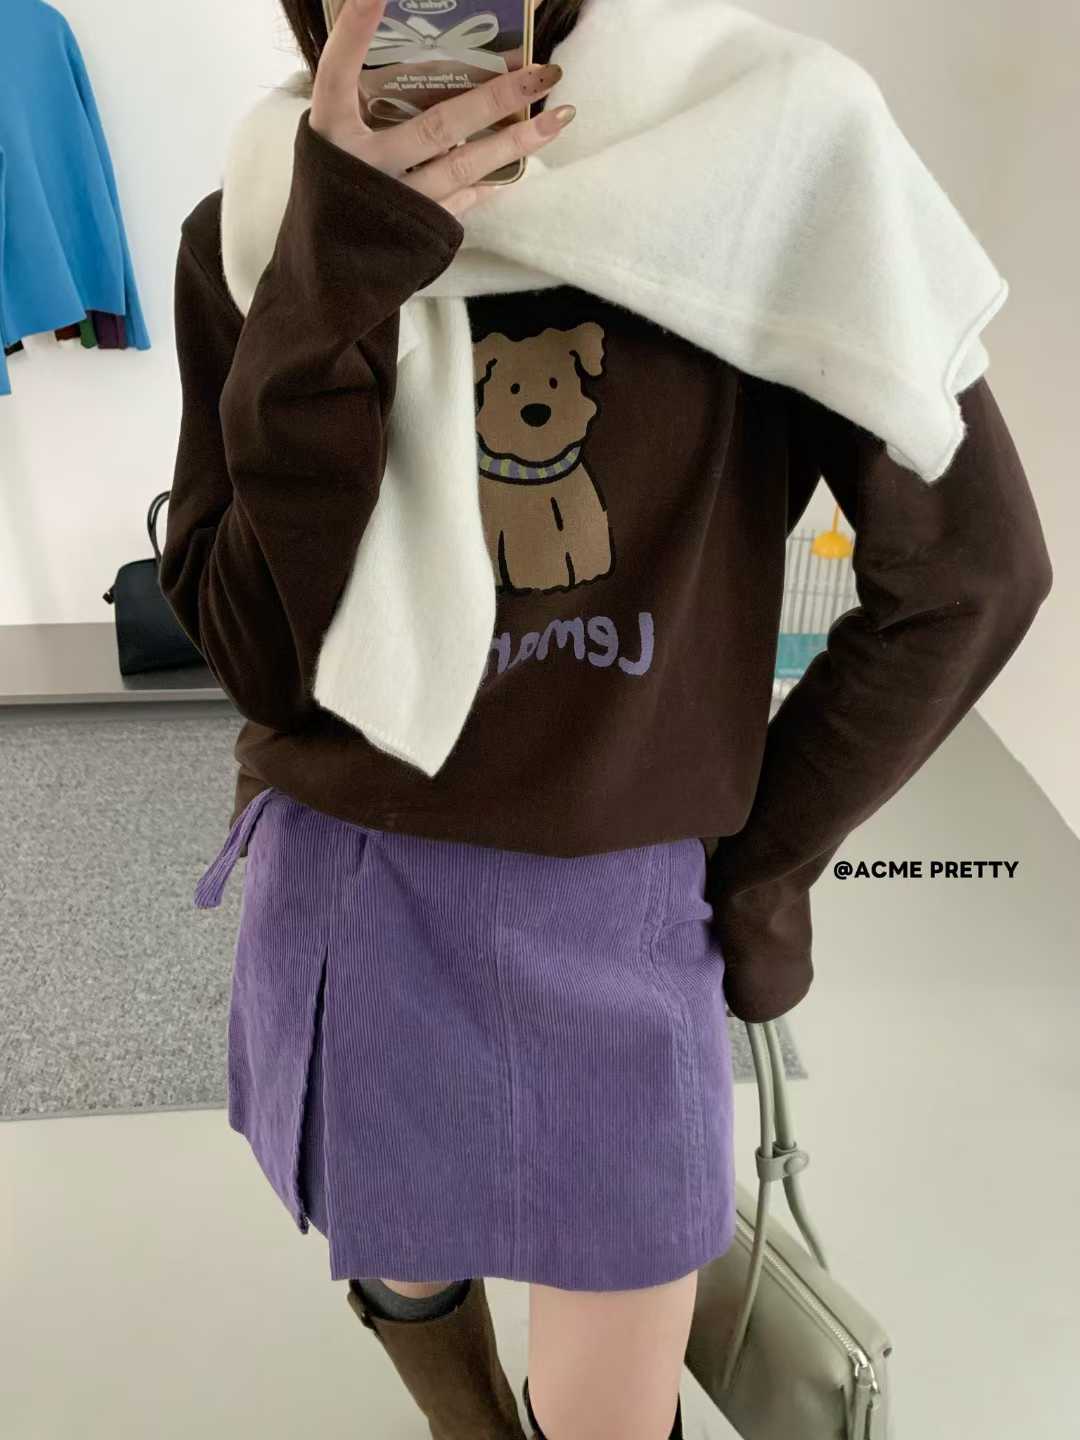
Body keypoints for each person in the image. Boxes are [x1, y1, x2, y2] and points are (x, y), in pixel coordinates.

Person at [160, 1, 1053, 1437]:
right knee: (412, 1257)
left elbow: (973, 575)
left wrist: (755, 865)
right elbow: (263, 658)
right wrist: (336, 270)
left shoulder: (772, 148)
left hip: (605, 912)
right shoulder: (262, 213)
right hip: (361, 878)